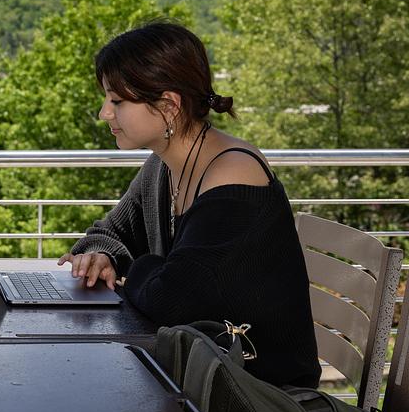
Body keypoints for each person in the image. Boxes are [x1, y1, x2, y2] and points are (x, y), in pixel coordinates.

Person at [58, 20, 320, 388]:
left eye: (116, 100)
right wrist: (102, 254)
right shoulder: (166, 164)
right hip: (202, 376)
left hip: (259, 399)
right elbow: (110, 232)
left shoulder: (234, 176)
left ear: (168, 106)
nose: (104, 113)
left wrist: (135, 267)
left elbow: (171, 301)